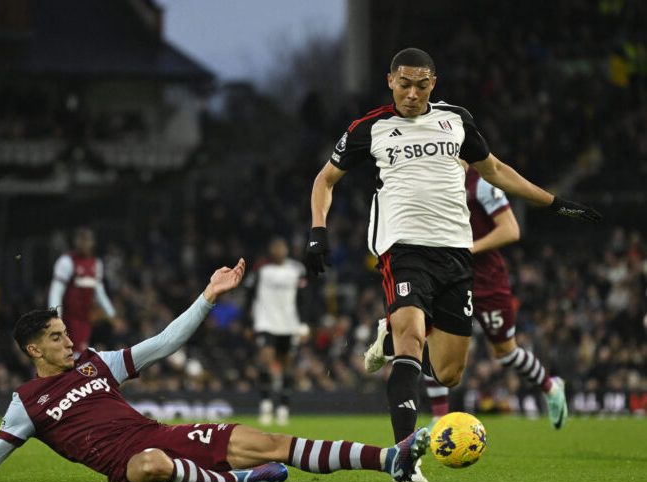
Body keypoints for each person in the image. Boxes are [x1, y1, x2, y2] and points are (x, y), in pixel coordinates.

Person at [0, 259, 429, 482]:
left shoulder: (98, 363)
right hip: (132, 460)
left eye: (65, 332)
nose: (68, 339)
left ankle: (390, 460)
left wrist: (207, 297)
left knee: (270, 440)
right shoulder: (26, 403)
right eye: (55, 336)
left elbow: (165, 343)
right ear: (32, 350)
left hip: (160, 434)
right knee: (149, 466)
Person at [304, 48, 600, 450]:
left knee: (448, 373)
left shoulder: (456, 120)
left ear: (433, 84)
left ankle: (388, 342)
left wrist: (555, 202)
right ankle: (404, 457)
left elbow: (495, 170)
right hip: (403, 246)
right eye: (404, 84)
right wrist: (318, 231)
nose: (412, 93)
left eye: (421, 85)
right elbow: (325, 180)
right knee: (412, 337)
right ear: (390, 81)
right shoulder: (369, 128)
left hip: (457, 253)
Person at [365, 167, 569, 431]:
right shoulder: (429, 176)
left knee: (505, 352)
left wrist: (466, 248)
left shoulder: (480, 182)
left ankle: (551, 387)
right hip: (444, 274)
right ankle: (440, 417)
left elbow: (510, 229)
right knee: (427, 338)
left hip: (486, 280)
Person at [244, 237, 307, 426]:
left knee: (287, 365)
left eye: (282, 247)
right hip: (266, 323)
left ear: (287, 250)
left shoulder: (297, 270)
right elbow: (249, 296)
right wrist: (248, 323)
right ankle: (265, 404)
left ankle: (283, 407)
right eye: (275, 247)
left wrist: (304, 324)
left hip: (289, 324)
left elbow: (305, 298)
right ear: (270, 251)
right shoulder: (260, 270)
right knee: (266, 359)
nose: (279, 250)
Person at [48, 227, 116, 355]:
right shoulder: (66, 262)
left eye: (87, 240)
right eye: (81, 240)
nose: (84, 243)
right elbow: (56, 292)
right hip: (69, 318)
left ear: (92, 243)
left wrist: (111, 314)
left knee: (78, 354)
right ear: (76, 242)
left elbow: (99, 292)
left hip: (85, 319)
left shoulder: (96, 264)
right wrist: (55, 317)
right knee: (72, 354)